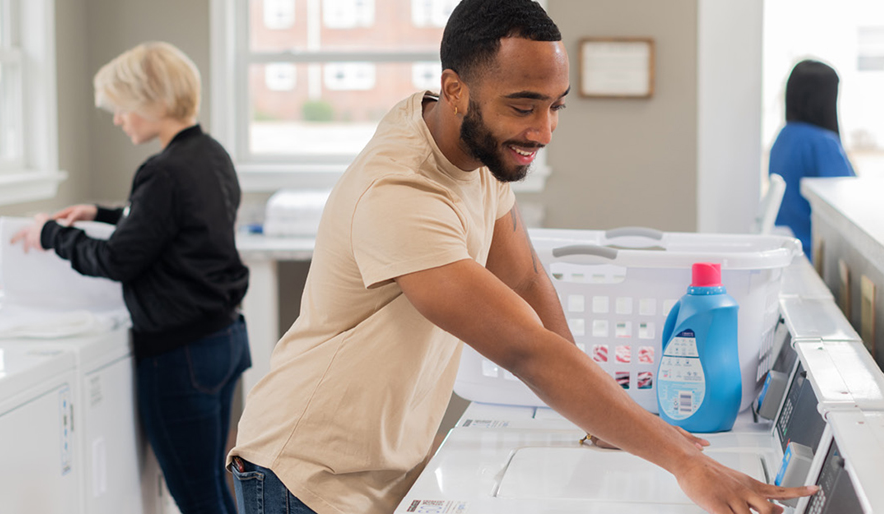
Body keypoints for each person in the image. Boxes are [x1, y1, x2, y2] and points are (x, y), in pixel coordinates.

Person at [228, 1, 817, 513]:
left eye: (557, 106)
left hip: (379, 468)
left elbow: (525, 277)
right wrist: (686, 464)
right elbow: (522, 347)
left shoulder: (469, 144)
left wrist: (600, 415)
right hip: (306, 475)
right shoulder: (401, 195)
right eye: (524, 106)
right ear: (455, 89)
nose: (544, 130)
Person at [12, 42, 251, 514]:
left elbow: (118, 259)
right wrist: (100, 212)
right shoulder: (210, 154)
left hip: (180, 355)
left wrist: (51, 233)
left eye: (121, 107)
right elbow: (175, 222)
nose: (118, 119)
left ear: (151, 101)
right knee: (215, 487)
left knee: (197, 496)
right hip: (223, 340)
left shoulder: (162, 172)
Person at [769, 59, 855, 260]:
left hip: (787, 250)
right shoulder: (822, 143)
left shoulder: (783, 137)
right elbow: (848, 203)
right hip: (813, 254)